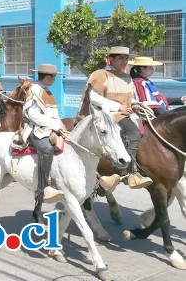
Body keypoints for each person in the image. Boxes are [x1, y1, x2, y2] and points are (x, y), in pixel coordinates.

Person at [78, 46, 153, 191]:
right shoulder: (100, 74)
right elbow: (94, 98)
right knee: (134, 132)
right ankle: (128, 172)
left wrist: (136, 105)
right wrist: (119, 107)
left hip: (124, 112)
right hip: (105, 114)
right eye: (120, 58)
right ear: (110, 59)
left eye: (126, 58)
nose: (124, 61)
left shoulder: (127, 78)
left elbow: (130, 99)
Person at [23, 64, 68, 210]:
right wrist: (55, 126)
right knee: (47, 148)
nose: (55, 79)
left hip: (49, 127)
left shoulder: (47, 91)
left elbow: (54, 114)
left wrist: (61, 125)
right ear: (48, 77)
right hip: (35, 128)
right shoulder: (35, 90)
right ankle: (43, 189)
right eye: (54, 77)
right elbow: (33, 115)